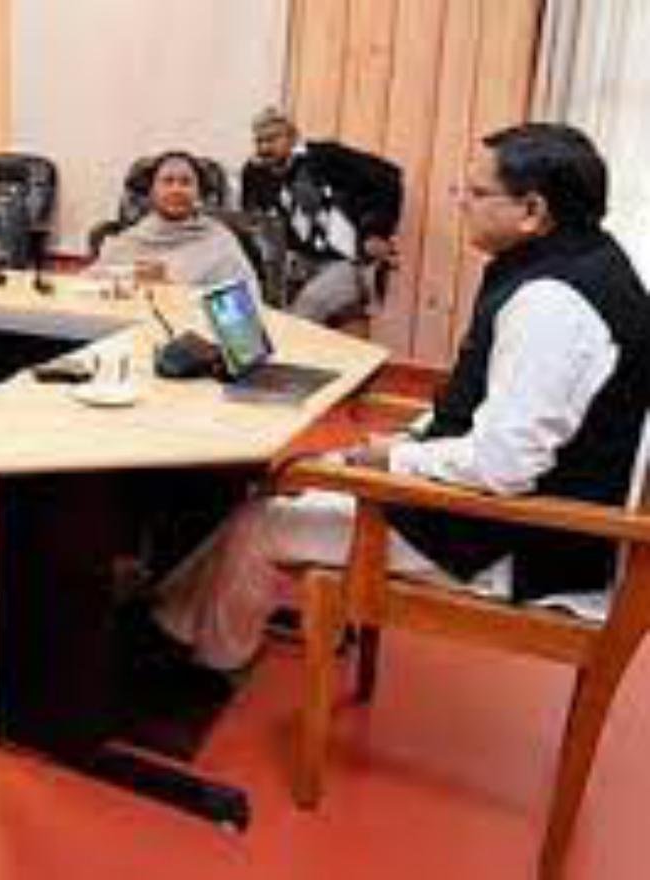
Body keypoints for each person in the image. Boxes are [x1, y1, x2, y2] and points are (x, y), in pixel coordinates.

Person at [143, 124, 650, 674]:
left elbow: (505, 465)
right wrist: (409, 443)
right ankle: (170, 623)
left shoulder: (550, 304)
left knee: (256, 521)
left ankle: (208, 663)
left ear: (532, 210)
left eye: (477, 193)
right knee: (287, 484)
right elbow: (502, 415)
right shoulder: (590, 263)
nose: (462, 203)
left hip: (513, 546)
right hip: (525, 520)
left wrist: (397, 459)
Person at [241, 107, 403, 324]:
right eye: (259, 141)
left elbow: (387, 178)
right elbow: (253, 217)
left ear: (292, 136)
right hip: (296, 263)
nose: (264, 148)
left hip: (347, 261)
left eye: (272, 139)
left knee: (306, 310)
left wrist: (375, 231)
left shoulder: (326, 157)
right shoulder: (255, 174)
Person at [92, 151, 262, 299]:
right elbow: (93, 287)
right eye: (167, 181)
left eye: (186, 182)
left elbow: (244, 303)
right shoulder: (131, 240)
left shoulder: (220, 242)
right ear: (152, 191)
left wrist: (170, 289)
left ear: (199, 193)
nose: (176, 190)